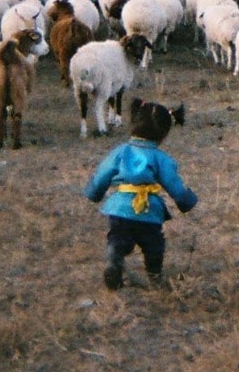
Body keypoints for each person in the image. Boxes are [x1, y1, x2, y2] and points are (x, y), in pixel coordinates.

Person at [83, 98, 197, 289]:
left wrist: (94, 192)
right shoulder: (161, 158)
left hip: (120, 209)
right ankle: (154, 276)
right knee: (154, 245)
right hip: (148, 212)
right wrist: (186, 201)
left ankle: (114, 260)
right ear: (163, 135)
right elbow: (173, 184)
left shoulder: (120, 152)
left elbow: (102, 174)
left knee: (118, 238)